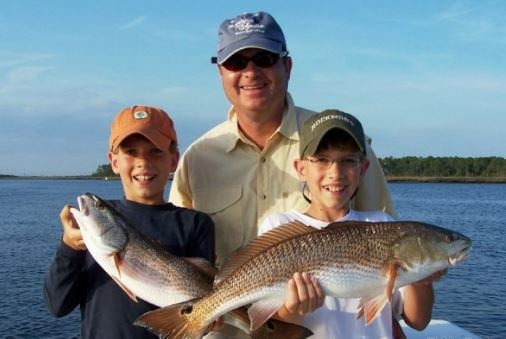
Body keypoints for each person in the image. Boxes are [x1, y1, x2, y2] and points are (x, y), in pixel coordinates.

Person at [169, 11, 394, 337]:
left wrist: (394, 321)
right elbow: (181, 261)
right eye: (236, 63)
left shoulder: (340, 144)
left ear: (286, 66)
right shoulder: (196, 159)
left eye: (264, 58)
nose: (250, 72)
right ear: (221, 73)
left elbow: (384, 246)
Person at [258, 109, 443, 339]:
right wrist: (292, 309)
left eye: (348, 161)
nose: (335, 173)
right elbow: (269, 329)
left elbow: (418, 321)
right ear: (301, 169)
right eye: (322, 160)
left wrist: (422, 281)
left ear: (363, 169)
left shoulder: (382, 224)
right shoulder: (278, 226)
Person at [43, 105, 215, 339]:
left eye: (155, 151)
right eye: (131, 152)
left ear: (174, 160)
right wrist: (69, 247)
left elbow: (198, 317)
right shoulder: (91, 228)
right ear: (113, 161)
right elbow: (57, 305)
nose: (143, 162)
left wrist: (208, 316)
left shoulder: (195, 224)